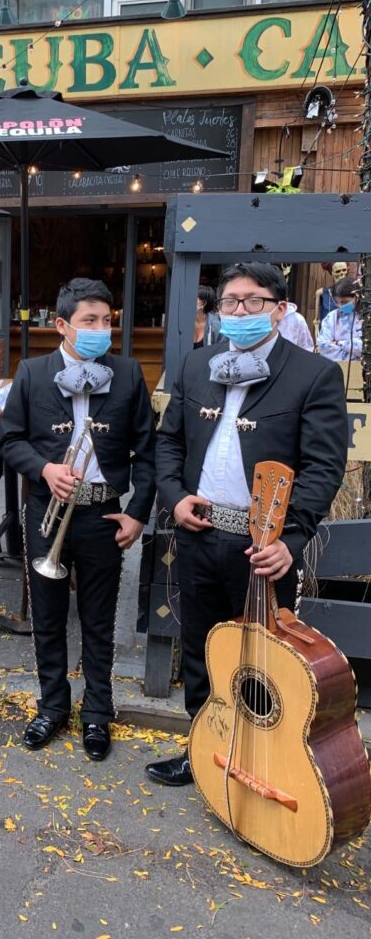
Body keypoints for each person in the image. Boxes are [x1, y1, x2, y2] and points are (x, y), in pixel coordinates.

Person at [148, 262, 347, 787]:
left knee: (263, 658)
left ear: (279, 309)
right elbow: (168, 442)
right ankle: (202, 748)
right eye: (230, 302)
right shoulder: (197, 365)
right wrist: (174, 498)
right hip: (198, 530)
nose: (239, 311)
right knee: (202, 648)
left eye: (253, 301)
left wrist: (293, 538)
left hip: (263, 545)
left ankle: (259, 764)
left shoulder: (313, 374)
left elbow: (323, 466)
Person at [0, 278, 156, 762]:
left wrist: (136, 515)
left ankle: (97, 713)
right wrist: (44, 468)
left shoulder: (129, 374)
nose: (100, 329)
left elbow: (150, 454)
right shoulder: (31, 371)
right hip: (48, 510)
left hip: (104, 513)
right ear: (62, 325)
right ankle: (52, 706)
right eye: (89, 321)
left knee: (99, 618)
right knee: (46, 616)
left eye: (107, 320)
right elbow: (9, 440)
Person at [317, 277, 362, 362]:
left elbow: (365, 348)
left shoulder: (366, 318)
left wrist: (338, 343)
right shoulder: (331, 318)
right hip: (335, 368)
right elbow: (323, 347)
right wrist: (353, 353)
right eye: (338, 302)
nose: (340, 306)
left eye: (345, 302)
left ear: (357, 297)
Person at [313, 260, 348, 332]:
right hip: (327, 337)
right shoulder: (321, 293)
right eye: (338, 271)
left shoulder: (352, 294)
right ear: (332, 272)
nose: (341, 274)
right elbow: (316, 320)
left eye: (344, 270)